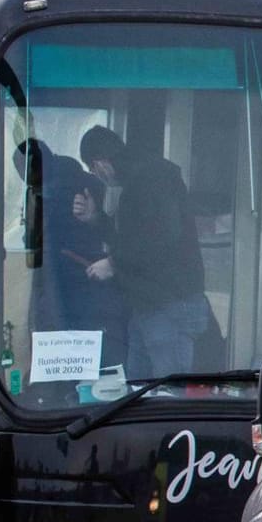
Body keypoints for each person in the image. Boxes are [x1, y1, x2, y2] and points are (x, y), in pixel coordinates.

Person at [78, 125, 222, 376]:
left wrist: (112, 264)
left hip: (169, 305)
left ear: (99, 163)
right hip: (151, 305)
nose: (97, 175)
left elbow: (161, 239)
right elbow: (136, 240)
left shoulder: (152, 180)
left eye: (93, 169)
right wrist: (97, 219)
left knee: (166, 396)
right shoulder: (143, 180)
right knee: (140, 393)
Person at [12, 139, 127, 369]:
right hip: (70, 283)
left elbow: (41, 241)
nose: (25, 179)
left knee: (80, 356)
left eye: (26, 171)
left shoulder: (76, 187)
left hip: (82, 282)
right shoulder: (44, 189)